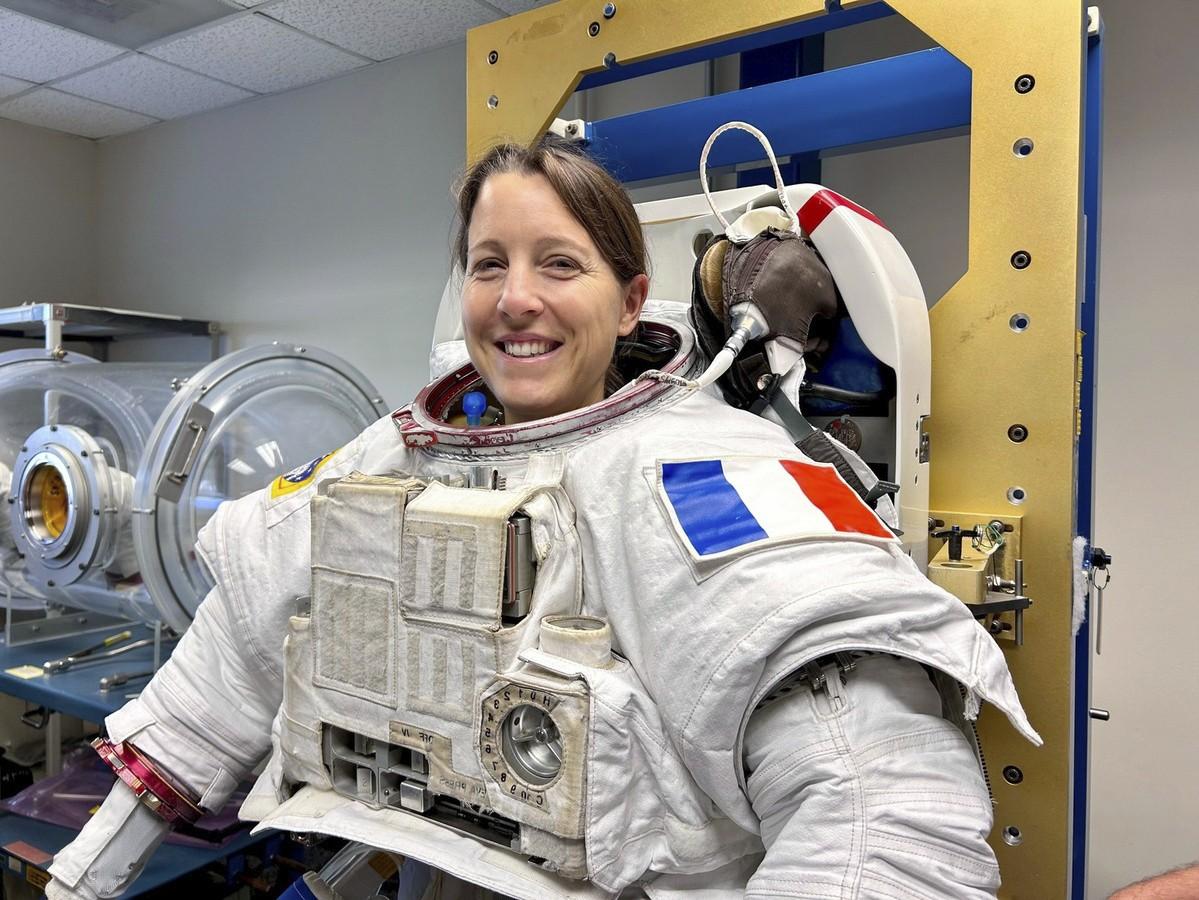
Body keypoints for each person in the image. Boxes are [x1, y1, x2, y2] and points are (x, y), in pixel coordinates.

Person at [48, 135, 1038, 899]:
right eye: (489, 265)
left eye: (559, 265)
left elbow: (878, 811)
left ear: (627, 300)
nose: (516, 299)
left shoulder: (706, 469)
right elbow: (209, 700)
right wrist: (77, 878)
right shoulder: (381, 461)